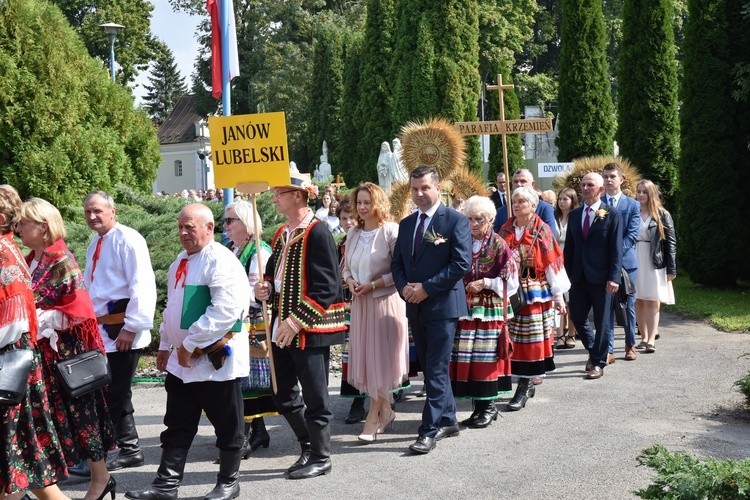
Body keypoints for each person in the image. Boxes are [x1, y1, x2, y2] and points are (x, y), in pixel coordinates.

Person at [125, 203, 251, 500]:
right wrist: (167, 345)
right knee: (177, 422)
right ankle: (165, 486)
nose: (182, 233)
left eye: (189, 227)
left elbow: (226, 312)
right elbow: (173, 308)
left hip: (214, 361)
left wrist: (190, 345)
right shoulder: (180, 261)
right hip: (181, 362)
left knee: (227, 424)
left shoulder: (221, 260)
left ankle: (229, 482)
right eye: (180, 227)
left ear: (209, 228)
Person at [17, 198, 117, 500]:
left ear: (42, 226)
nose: (19, 227)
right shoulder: (30, 258)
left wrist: (40, 317)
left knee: (81, 417)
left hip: (67, 356)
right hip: (40, 356)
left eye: (24, 222)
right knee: (49, 422)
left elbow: (79, 309)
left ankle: (101, 479)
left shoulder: (61, 258)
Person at [254, 172, 347, 479]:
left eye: (279, 192)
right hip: (281, 325)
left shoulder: (317, 232)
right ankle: (307, 445)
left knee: (316, 395)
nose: (274, 197)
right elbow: (272, 273)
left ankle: (322, 456)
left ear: (297, 195)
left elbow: (327, 286)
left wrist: (294, 323)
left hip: (307, 328)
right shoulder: (282, 232)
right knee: (280, 392)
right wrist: (265, 287)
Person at [71, 191, 156, 477]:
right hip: (101, 331)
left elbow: (142, 285)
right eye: (88, 212)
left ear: (112, 210)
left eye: (97, 211)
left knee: (112, 395)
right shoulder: (95, 241)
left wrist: (132, 327)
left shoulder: (129, 240)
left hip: (122, 330)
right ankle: (130, 449)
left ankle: (101, 455)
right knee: (116, 392)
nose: (92, 216)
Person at [391, 166, 471, 455]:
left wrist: (425, 287)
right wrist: (405, 289)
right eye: (414, 189)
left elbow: (461, 264)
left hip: (442, 305)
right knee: (429, 367)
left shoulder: (455, 221)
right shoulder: (407, 223)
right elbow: (398, 263)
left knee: (436, 368)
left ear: (438, 188)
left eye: (424, 188)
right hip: (415, 305)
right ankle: (448, 419)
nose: (419, 194)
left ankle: (428, 430)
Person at [0, 185, 69, 500]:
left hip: (9, 368)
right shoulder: (9, 246)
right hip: (16, 367)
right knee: (24, 464)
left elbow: (12, 322)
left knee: (17, 460)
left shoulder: (3, 252)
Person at [343, 183, 408, 442]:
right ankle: (387, 411)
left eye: (367, 202)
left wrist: (373, 284)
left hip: (384, 302)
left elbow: (400, 271)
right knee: (369, 362)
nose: (362, 207)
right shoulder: (353, 233)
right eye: (359, 202)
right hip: (360, 303)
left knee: (380, 360)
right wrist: (351, 283)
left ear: (378, 203)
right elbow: (345, 268)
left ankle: (373, 417)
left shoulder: (391, 231)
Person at [499, 187, 569, 409]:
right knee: (510, 337)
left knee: (530, 341)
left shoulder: (542, 230)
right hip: (509, 290)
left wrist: (558, 296)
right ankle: (513, 381)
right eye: (514, 201)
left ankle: (525, 385)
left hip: (534, 292)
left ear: (533, 205)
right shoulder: (506, 227)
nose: (517, 205)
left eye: (522, 201)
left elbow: (552, 264)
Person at [451, 196, 518, 428]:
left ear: (490, 220)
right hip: (466, 307)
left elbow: (512, 282)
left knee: (485, 357)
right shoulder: (463, 241)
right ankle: (477, 408)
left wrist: (486, 283)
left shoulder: (499, 245)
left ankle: (489, 407)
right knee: (468, 356)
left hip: (489, 309)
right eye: (469, 219)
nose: (473, 224)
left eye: (479, 220)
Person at [223, 200, 275, 457]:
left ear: (246, 222)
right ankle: (258, 432)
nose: (226, 225)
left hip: (252, 324)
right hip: (237, 322)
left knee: (249, 381)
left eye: (230, 220)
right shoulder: (233, 249)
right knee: (241, 380)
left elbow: (259, 294)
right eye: (226, 220)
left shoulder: (258, 250)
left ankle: (243, 436)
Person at [563, 173, 623, 380]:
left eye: (590, 185)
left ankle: (598, 362)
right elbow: (569, 249)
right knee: (577, 316)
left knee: (603, 321)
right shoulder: (575, 215)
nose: (586, 188)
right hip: (578, 277)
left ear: (601, 190)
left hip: (602, 278)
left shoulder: (611, 214)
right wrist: (566, 276)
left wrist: (614, 277)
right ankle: (594, 349)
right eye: (583, 185)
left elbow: (616, 249)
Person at [602, 162, 641, 362]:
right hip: (603, 265)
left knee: (628, 306)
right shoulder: (598, 204)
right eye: (606, 176)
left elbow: (632, 236)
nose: (609, 180)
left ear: (621, 179)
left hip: (626, 264)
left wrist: (614, 256)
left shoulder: (633, 205)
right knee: (606, 307)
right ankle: (609, 350)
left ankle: (630, 344)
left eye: (612, 176)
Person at [634, 180, 676, 353]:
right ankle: (643, 337)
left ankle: (651, 338)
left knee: (652, 299)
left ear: (651, 193)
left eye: (644, 191)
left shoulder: (662, 214)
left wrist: (671, 267)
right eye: (639, 191)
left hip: (654, 260)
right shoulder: (632, 212)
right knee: (637, 299)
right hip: (635, 257)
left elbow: (671, 242)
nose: (641, 195)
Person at [336, 201, 369, 423]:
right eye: (344, 219)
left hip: (367, 299)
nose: (348, 223)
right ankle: (357, 399)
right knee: (352, 352)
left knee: (370, 350)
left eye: (352, 218)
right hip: (348, 304)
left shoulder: (367, 240)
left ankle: (381, 396)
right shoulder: (340, 245)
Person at [493, 169, 557, 238]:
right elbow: (495, 241)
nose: (519, 184)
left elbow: (550, 238)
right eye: (515, 182)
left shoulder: (545, 208)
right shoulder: (501, 212)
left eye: (523, 181)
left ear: (533, 184)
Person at [553, 187, 579, 349]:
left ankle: (571, 333)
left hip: (571, 260)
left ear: (572, 201)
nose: (562, 202)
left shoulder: (576, 217)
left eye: (566, 199)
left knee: (571, 300)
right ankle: (559, 334)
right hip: (555, 261)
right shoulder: (553, 217)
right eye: (560, 199)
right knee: (558, 298)